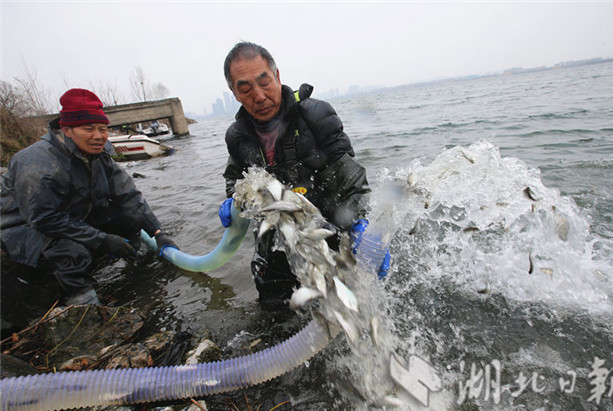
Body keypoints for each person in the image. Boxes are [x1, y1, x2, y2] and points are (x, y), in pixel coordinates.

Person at [218, 41, 390, 310]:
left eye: (264, 82)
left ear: (277, 76)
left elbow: (351, 181)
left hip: (328, 235)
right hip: (274, 246)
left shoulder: (316, 116)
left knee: (346, 310)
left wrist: (359, 223)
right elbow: (234, 179)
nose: (259, 96)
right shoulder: (237, 137)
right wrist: (233, 199)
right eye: (245, 88)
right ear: (234, 93)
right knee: (274, 317)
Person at [0, 88, 177, 306]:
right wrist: (101, 240)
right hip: (24, 229)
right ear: (66, 129)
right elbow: (42, 218)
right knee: (74, 253)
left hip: (72, 216)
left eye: (102, 129)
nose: (98, 136)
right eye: (89, 128)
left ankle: (134, 263)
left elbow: (129, 196)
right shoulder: (37, 164)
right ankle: (84, 304)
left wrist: (158, 232)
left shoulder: (100, 156)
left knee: (128, 218)